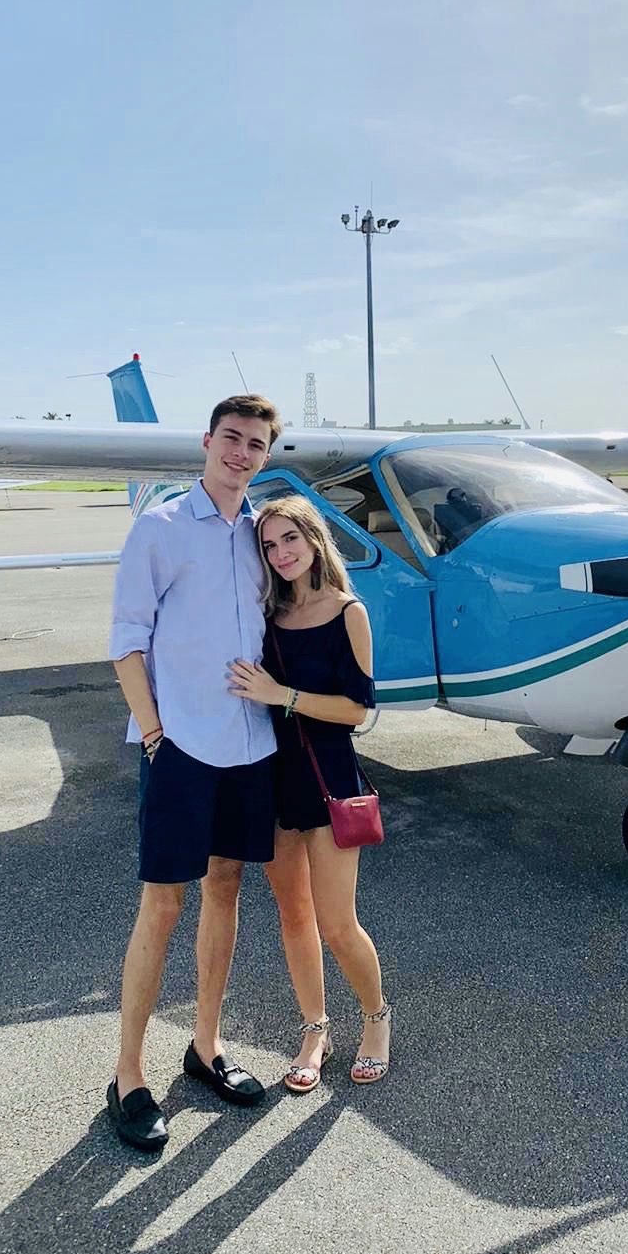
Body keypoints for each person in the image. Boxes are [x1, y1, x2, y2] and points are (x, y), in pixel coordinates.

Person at [105, 394, 283, 1153]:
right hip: (180, 747)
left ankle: (205, 1046)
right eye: (232, 439)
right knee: (162, 907)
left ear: (267, 456)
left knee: (226, 888)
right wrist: (153, 735)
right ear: (207, 442)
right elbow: (125, 640)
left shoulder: (264, 534)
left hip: (250, 746)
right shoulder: (161, 527)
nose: (241, 454)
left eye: (256, 445)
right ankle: (127, 1074)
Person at [229, 494, 391, 1092]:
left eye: (288, 540)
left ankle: (376, 1021)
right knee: (293, 917)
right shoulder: (265, 617)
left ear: (314, 539)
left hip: (328, 780)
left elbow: (356, 711)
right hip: (272, 780)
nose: (280, 554)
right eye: (269, 546)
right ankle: (315, 1028)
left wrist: (284, 696)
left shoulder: (348, 612)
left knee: (336, 922)